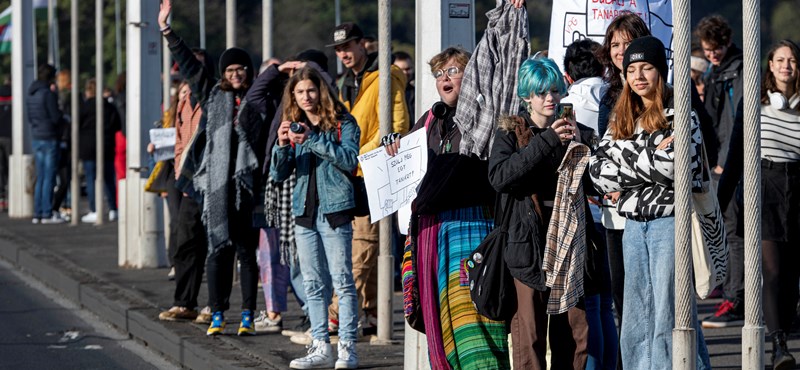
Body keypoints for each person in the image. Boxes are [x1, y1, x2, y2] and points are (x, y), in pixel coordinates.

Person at [588, 36, 711, 369]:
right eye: (631, 69)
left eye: (647, 67)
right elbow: (599, 171)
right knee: (636, 321)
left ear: (661, 70)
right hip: (632, 227)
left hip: (669, 225)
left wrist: (624, 158)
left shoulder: (680, 112)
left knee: (668, 318)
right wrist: (651, 156)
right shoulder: (621, 116)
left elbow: (677, 165)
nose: (639, 76)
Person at [383, 47, 508, 370]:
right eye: (439, 74)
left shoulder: (486, 117)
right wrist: (394, 145)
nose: (445, 79)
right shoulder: (429, 121)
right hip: (433, 233)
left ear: (472, 77)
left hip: (474, 227)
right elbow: (407, 166)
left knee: (475, 317)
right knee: (441, 319)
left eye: (454, 71)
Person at [159, 0, 268, 336]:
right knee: (217, 252)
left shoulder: (257, 103)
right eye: (230, 71)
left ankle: (248, 313)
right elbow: (189, 65)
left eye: (242, 70)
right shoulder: (212, 96)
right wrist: (167, 30)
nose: (236, 75)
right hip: (215, 190)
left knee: (247, 255)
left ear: (249, 73)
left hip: (248, 191)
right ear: (223, 75)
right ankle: (218, 312)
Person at [488, 56, 596, 370]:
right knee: (529, 333)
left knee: (574, 331)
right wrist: (548, 140)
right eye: (540, 92)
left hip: (568, 242)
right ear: (526, 97)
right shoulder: (510, 132)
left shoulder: (576, 131)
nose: (549, 98)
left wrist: (580, 145)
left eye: (554, 91)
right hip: (527, 244)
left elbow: (593, 184)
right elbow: (501, 177)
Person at [717, 40, 800, 370]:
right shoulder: (755, 103)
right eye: (780, 59)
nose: (786, 66)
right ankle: (778, 345)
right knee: (773, 270)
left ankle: (783, 334)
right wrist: (718, 205)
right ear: (769, 65)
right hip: (764, 187)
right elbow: (735, 155)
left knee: (792, 276)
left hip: (796, 189)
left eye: (792, 60)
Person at [270, 66, 361, 369]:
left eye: (310, 90)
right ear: (292, 96)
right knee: (312, 283)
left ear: (320, 90)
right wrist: (282, 145)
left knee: (343, 281)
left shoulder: (342, 122)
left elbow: (349, 160)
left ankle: (347, 349)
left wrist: (312, 139)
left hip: (335, 211)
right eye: (299, 92)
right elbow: (278, 174)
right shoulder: (292, 124)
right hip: (304, 213)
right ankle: (320, 346)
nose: (306, 97)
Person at [329, 21, 409, 336]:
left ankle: (335, 315)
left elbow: (396, 125)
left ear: (364, 44)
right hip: (352, 171)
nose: (343, 53)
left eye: (347, 46)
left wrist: (360, 153)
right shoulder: (345, 82)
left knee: (363, 245)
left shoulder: (386, 77)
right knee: (370, 248)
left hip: (373, 169)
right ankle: (372, 313)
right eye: (338, 48)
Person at [245, 50, 331, 335]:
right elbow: (253, 96)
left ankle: (317, 313)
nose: (303, 93)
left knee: (312, 257)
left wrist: (310, 68)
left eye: (309, 84)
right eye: (297, 86)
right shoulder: (281, 106)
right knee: (287, 253)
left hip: (311, 181)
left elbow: (328, 85)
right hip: (281, 184)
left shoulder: (328, 109)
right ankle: (308, 312)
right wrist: (277, 69)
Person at [594, 13, 651, 338]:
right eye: (614, 44)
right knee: (623, 298)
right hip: (615, 214)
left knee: (654, 299)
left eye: (627, 43)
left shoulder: (666, 93)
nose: (620, 51)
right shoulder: (608, 95)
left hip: (655, 212)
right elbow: (605, 152)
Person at [561, 39, 617, 370]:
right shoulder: (617, 97)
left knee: (590, 304)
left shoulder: (564, 107)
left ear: (568, 75)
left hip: (583, 212)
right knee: (607, 304)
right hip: (618, 212)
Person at [694, 14, 746, 329]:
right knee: (721, 227)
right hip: (719, 161)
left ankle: (735, 297)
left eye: (717, 48)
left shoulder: (738, 71)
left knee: (734, 230)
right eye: (707, 50)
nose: (712, 54)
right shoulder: (718, 70)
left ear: (727, 42)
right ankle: (727, 285)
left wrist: (724, 161)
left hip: (731, 164)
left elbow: (736, 119)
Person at [79, 78, 122, 223]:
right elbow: (117, 125)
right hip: (106, 145)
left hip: (88, 146)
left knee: (91, 178)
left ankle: (94, 209)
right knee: (109, 179)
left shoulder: (83, 107)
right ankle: (113, 209)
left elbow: (76, 125)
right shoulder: (109, 106)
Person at [27, 63, 65, 224]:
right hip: (49, 136)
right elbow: (55, 117)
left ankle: (38, 212)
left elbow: (30, 117)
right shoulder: (47, 94)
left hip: (36, 136)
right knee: (49, 177)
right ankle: (47, 212)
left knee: (41, 176)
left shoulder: (31, 94)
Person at [392, 51, 415, 118]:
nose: (405, 73)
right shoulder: (388, 92)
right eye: (400, 70)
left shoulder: (416, 92)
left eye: (408, 69)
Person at [0, 82, 10, 212]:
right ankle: (10, 197)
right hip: (9, 136)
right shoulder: (17, 96)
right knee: (10, 168)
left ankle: (1, 199)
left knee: (0, 169)